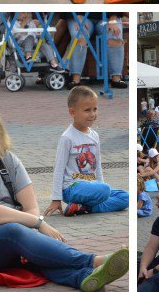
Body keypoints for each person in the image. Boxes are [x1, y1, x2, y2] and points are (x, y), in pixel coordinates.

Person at [0, 103, 128, 292]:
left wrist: (32, 229)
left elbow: (31, 207)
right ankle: (92, 261)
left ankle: (83, 277)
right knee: (14, 232)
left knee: (34, 251)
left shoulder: (8, 160)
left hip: (10, 237)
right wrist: (37, 224)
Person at [45, 86, 128, 217]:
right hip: (72, 189)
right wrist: (56, 199)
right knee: (105, 190)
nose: (93, 114)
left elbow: (98, 165)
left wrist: (100, 185)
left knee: (126, 197)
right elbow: (58, 169)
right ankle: (87, 204)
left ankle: (84, 208)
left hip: (92, 187)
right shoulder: (67, 138)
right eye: (87, 110)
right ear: (72, 112)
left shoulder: (94, 135)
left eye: (95, 109)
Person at [65, 13, 127, 89]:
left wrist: (113, 18)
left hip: (107, 17)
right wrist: (78, 18)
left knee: (115, 36)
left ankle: (116, 79)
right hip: (79, 15)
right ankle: (75, 80)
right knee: (79, 37)